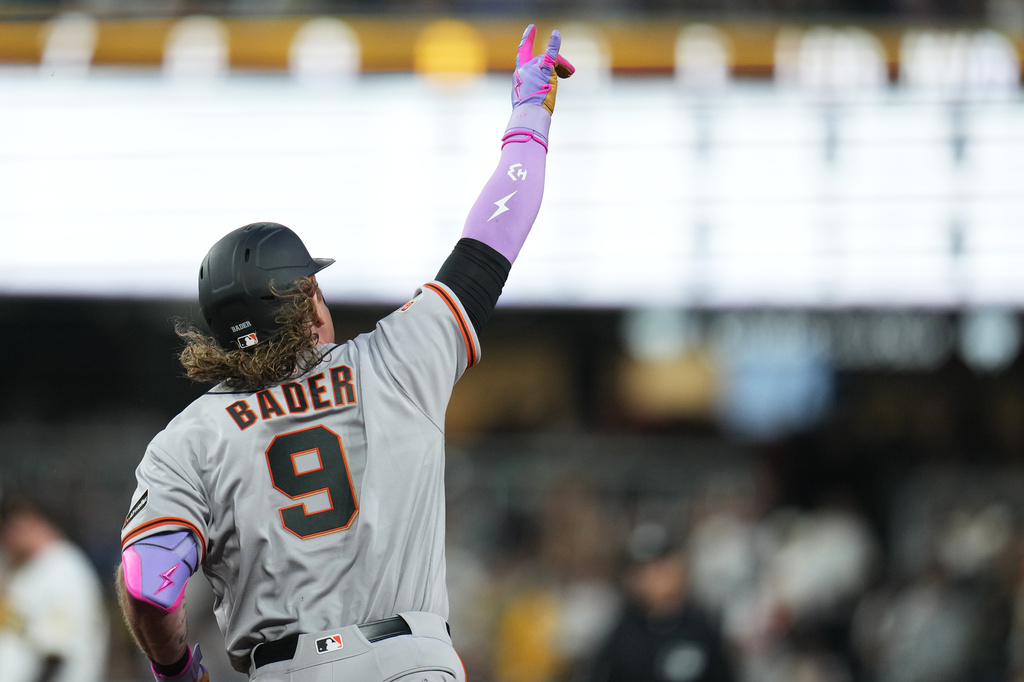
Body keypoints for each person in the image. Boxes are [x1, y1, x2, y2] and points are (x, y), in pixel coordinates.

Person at [115, 23, 574, 682]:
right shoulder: (397, 361)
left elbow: (149, 582)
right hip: (413, 662)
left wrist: (177, 670)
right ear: (307, 299)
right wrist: (529, 116)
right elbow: (493, 236)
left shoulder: (188, 439)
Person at [576, 523, 736, 682]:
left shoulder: (703, 626)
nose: (651, 578)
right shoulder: (621, 633)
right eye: (641, 570)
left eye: (659, 566)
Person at [0, 495, 110, 682]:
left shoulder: (63, 568)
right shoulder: (35, 568)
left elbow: (57, 655)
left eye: (10, 528)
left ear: (31, 522)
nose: (6, 538)